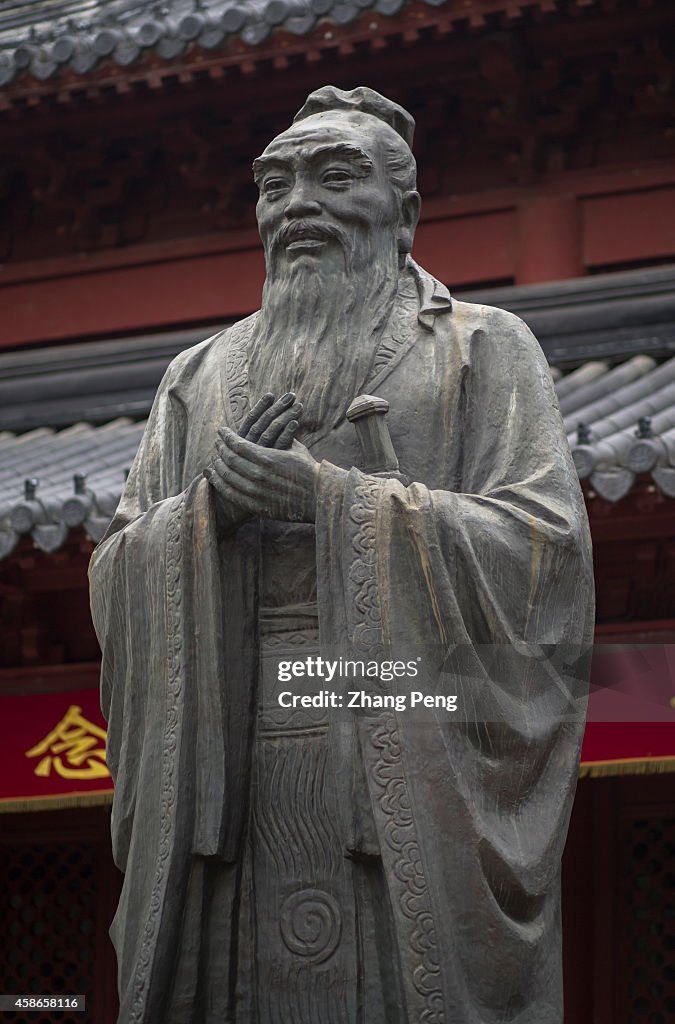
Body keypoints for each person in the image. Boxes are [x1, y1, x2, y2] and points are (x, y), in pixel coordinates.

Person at [89, 86, 594, 1024]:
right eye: (273, 183)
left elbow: (545, 549)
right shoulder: (196, 378)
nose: (296, 205)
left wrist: (329, 501)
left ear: (402, 212)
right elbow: (116, 559)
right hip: (224, 763)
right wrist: (207, 519)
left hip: (403, 743)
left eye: (334, 176)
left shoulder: (483, 350)